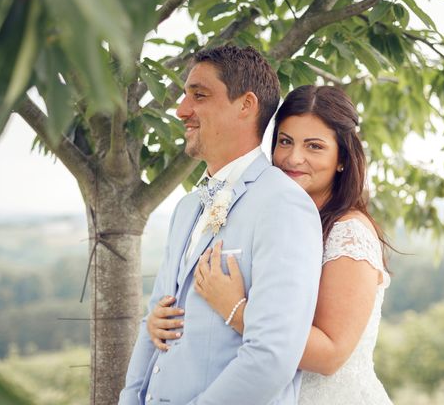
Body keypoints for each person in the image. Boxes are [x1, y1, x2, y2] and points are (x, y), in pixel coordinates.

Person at [148, 85, 394, 403]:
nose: (294, 158)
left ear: (342, 159)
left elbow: (331, 355)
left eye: (315, 146)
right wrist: (165, 323)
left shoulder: (348, 234)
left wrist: (235, 310)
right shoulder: (270, 219)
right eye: (285, 141)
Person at [119, 46, 323, 405]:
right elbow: (154, 325)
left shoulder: (284, 206)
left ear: (245, 105)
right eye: (185, 96)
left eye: (199, 95)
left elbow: (271, 357)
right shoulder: (186, 208)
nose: (182, 110)